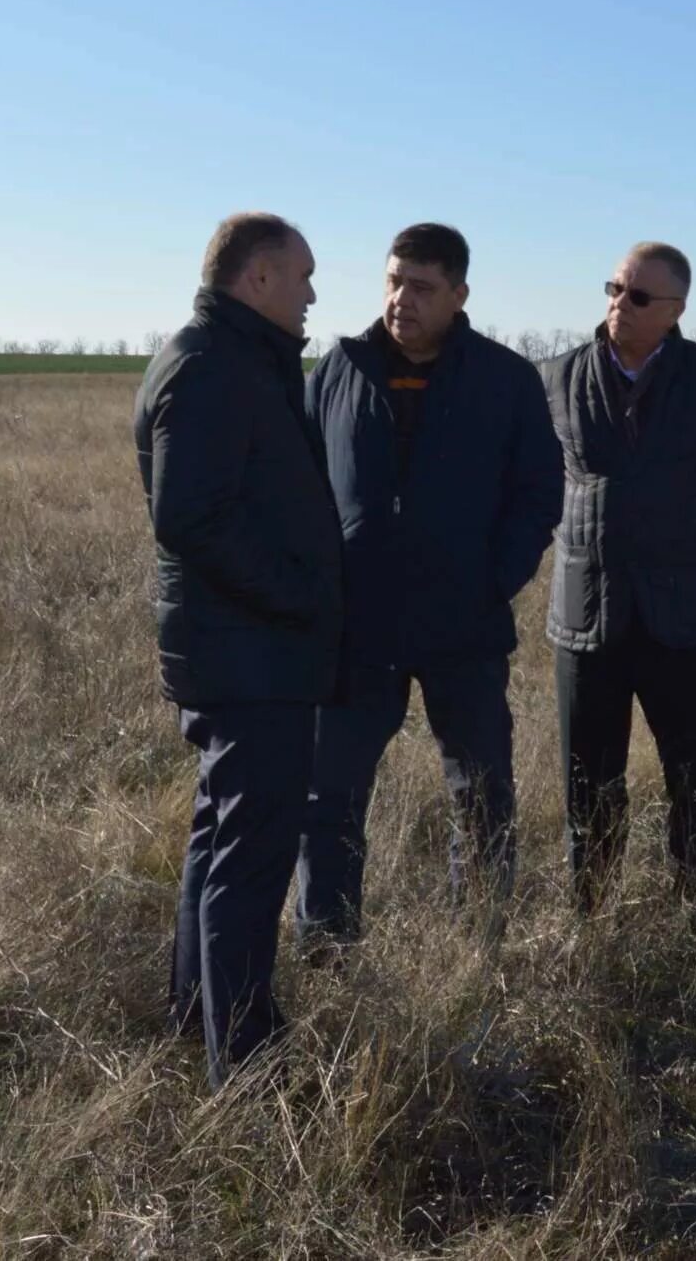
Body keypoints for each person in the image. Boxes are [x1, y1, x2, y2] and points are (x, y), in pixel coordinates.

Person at [296, 223, 563, 945]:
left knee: (479, 792)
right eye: (392, 281)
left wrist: (493, 580)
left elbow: (538, 492)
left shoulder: (504, 380)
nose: (400, 299)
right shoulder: (339, 371)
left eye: (421, 287)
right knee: (331, 795)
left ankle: (476, 940)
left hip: (463, 624)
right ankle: (327, 943)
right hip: (358, 625)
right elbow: (305, 486)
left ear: (459, 294)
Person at [132, 212, 340, 1086]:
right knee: (252, 857)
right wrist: (296, 594)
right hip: (248, 655)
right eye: (302, 276)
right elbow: (188, 515)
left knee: (222, 835)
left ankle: (203, 1011)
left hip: (244, 649)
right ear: (257, 278)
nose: (312, 294)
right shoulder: (213, 366)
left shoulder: (235, 356)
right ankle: (244, 1061)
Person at [539, 242, 696, 911]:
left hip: (685, 618)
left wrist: (687, 547)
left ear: (676, 310)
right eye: (612, 288)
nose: (618, 304)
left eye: (637, 297)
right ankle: (593, 919)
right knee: (589, 785)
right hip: (586, 616)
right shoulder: (554, 378)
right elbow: (527, 483)